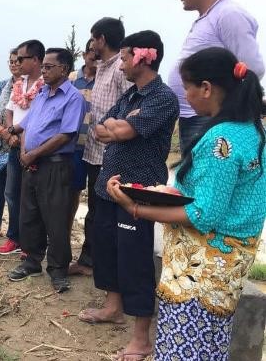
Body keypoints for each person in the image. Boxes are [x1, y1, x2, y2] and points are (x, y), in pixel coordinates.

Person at [108, 47, 266, 361]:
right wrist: (169, 193)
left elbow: (203, 214)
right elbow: (220, 197)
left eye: (187, 89)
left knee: (184, 346)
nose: (186, 98)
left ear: (206, 88)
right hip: (225, 271)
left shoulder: (222, 139)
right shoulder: (251, 131)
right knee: (208, 347)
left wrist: (136, 208)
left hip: (199, 274)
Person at [78, 31, 179, 361]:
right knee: (107, 249)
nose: (120, 64)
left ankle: (141, 338)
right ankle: (112, 307)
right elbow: (100, 128)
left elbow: (118, 131)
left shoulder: (162, 98)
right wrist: (118, 124)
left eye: (123, 58)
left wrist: (118, 126)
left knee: (135, 261)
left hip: (137, 192)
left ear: (143, 58)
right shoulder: (131, 97)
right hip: (109, 185)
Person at [168, 0, 264, 154]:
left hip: (212, 119)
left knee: (210, 178)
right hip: (194, 116)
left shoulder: (229, 14)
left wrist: (226, 110)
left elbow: (253, 68)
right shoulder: (209, 17)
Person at [7, 48, 85, 293]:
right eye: (44, 67)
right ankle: (32, 261)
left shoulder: (73, 98)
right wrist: (22, 150)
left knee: (56, 219)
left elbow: (66, 134)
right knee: (29, 214)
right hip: (30, 163)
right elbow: (28, 125)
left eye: (49, 66)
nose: (44, 70)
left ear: (63, 69)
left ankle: (58, 270)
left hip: (55, 164)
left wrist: (34, 153)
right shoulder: (41, 93)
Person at [69, 17, 130, 276]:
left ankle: (105, 265)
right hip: (94, 153)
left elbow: (131, 108)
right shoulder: (104, 67)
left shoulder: (120, 69)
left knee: (107, 213)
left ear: (101, 39)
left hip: (112, 154)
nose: (92, 43)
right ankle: (89, 261)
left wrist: (113, 131)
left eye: (93, 38)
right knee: (95, 210)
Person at [0, 39, 45, 255]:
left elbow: (41, 118)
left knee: (34, 197)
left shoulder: (45, 85)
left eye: (21, 59)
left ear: (35, 60)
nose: (17, 63)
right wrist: (9, 134)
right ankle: (14, 238)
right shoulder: (18, 84)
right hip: (15, 146)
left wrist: (21, 135)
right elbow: (9, 110)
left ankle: (31, 242)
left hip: (36, 149)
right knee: (12, 193)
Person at [0, 48, 21, 240]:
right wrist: (3, 132)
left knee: (17, 190)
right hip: (1, 143)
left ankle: (16, 231)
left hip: (20, 143)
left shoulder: (30, 87)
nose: (14, 64)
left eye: (17, 61)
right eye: (11, 61)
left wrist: (13, 134)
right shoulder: (1, 86)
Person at [67, 39, 96, 261]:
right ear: (84, 54)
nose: (94, 57)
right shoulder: (71, 79)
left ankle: (89, 251)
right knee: (71, 195)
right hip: (74, 146)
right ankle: (64, 238)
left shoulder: (106, 80)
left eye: (98, 53)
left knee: (95, 202)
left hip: (97, 147)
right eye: (91, 53)